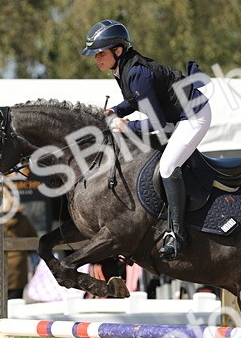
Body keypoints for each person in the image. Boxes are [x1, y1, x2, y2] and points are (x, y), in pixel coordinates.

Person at [82, 19, 210, 260]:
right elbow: (134, 100)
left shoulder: (137, 72)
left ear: (117, 51)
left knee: (168, 166)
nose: (96, 58)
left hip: (193, 116)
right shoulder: (122, 69)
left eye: (100, 53)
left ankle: (178, 235)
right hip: (176, 117)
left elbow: (159, 124)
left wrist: (128, 126)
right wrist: (116, 111)